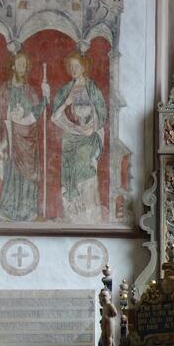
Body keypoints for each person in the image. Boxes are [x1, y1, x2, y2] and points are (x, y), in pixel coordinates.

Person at [45, 52, 107, 220]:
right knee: (70, 173)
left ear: (83, 67)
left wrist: (91, 129)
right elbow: (55, 116)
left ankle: (88, 214)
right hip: (70, 137)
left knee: (85, 171)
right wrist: (66, 102)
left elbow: (101, 112)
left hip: (87, 138)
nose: (74, 69)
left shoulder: (91, 88)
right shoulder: (66, 89)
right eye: (71, 66)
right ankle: (72, 215)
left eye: (77, 66)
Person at [0, 51, 45, 221]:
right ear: (13, 66)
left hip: (28, 140)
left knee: (27, 178)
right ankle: (8, 210)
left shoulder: (29, 90)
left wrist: (45, 98)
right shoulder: (4, 89)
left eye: (25, 65)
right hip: (11, 138)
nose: (22, 67)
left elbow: (36, 112)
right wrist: (11, 115)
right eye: (19, 64)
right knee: (12, 173)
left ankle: (27, 211)